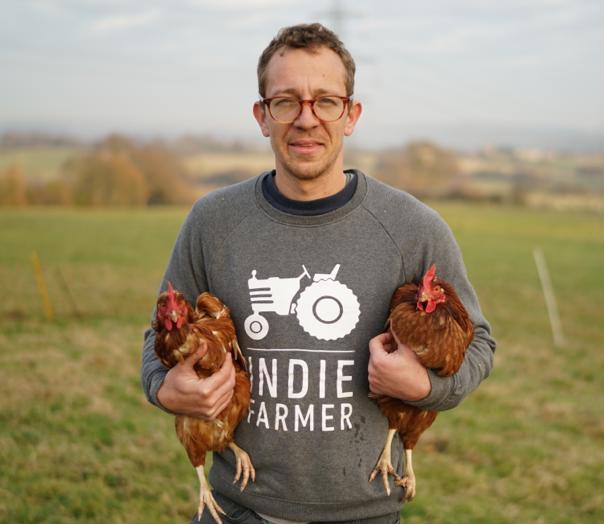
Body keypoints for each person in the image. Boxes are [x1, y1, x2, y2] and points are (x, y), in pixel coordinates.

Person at [141, 23, 495, 524]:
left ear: (351, 115)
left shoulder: (413, 227)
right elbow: (155, 339)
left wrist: (424, 389)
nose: (306, 119)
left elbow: (479, 343)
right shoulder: (212, 221)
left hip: (366, 513)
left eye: (326, 101)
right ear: (262, 116)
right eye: (286, 102)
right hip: (238, 511)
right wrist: (164, 389)